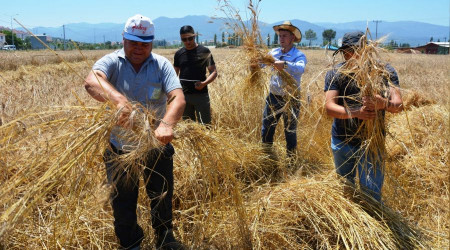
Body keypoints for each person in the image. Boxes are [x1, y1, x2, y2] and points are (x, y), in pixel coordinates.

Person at [84, 14, 186, 250]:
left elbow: (178, 98)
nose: (139, 48)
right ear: (123, 39)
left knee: (161, 195)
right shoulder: (112, 62)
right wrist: (118, 100)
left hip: (155, 144)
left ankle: (164, 238)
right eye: (133, 43)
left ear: (152, 42)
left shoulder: (161, 65)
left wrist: (167, 125)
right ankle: (131, 244)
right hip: (120, 148)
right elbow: (92, 81)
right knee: (123, 202)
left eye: (144, 44)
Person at [324, 31, 403, 202]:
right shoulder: (335, 73)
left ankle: (373, 222)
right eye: (346, 51)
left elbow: (398, 106)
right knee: (346, 191)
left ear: (366, 50)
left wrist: (384, 104)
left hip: (372, 143)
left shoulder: (384, 72)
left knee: (371, 196)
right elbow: (329, 107)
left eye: (353, 50)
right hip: (342, 142)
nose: (349, 56)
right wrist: (356, 112)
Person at [258, 21, 307, 158]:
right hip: (273, 97)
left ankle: (291, 161)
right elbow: (261, 65)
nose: (281, 39)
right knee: (267, 128)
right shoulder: (273, 53)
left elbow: (300, 69)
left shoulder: (299, 55)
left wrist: (284, 65)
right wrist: (254, 65)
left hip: (291, 99)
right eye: (280, 36)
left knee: (290, 131)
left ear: (292, 38)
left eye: (285, 36)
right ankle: (267, 158)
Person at [174, 25, 217, 125]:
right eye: (184, 39)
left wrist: (204, 83)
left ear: (195, 36)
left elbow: (214, 72)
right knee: (189, 129)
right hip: (184, 96)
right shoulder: (179, 54)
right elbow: (174, 75)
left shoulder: (204, 51)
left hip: (201, 96)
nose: (188, 42)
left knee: (205, 126)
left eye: (190, 38)